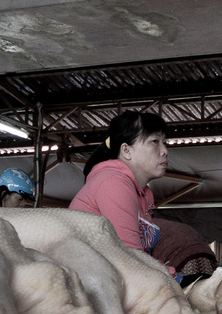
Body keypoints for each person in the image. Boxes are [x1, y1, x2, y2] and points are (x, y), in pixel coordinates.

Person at [70, 111, 168, 263]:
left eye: (164, 143)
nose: (164, 151)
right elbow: (129, 258)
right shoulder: (113, 183)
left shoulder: (142, 192)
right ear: (126, 151)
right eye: (155, 142)